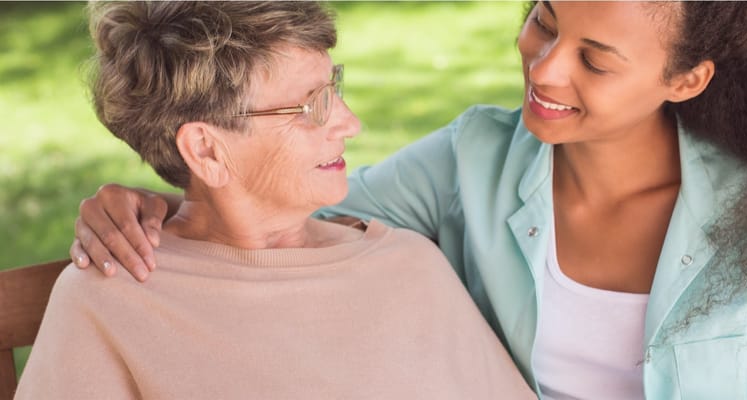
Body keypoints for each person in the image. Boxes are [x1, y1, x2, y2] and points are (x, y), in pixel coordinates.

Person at [70, 2, 747, 398]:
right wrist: (161, 195)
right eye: (543, 20)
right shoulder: (470, 160)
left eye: (595, 60)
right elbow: (287, 214)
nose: (546, 67)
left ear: (685, 80)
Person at [15, 2, 536, 399]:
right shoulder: (109, 297)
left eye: (334, 86)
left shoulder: (408, 268)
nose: (349, 123)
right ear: (206, 149)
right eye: (312, 106)